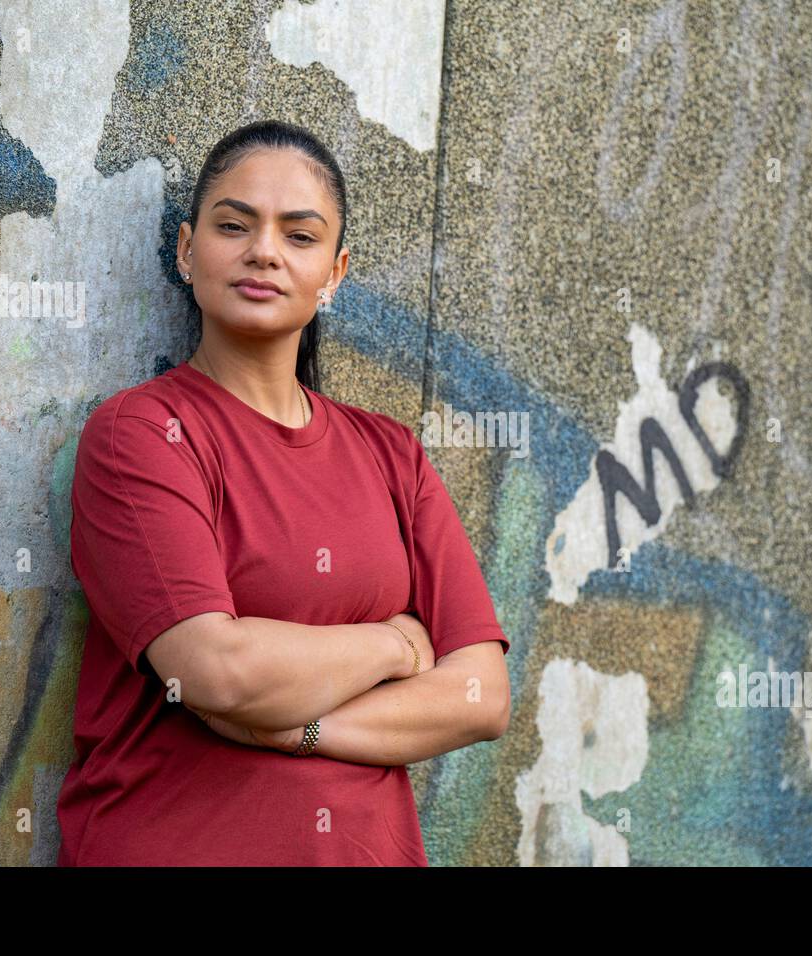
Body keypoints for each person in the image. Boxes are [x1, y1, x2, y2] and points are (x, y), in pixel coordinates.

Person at [56, 120, 511, 866]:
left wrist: (299, 727)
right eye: (234, 225)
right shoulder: (142, 435)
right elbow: (214, 672)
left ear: (335, 272)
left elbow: (480, 696)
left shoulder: (392, 455)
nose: (263, 250)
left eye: (299, 237)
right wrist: (395, 643)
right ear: (185, 248)